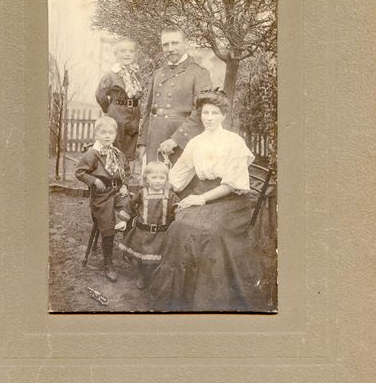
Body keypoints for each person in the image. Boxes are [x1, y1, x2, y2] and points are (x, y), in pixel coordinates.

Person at [148, 89, 264, 311]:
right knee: (179, 226)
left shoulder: (234, 142)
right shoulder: (196, 142)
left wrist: (199, 199)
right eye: (205, 113)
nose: (209, 118)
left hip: (232, 201)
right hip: (203, 195)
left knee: (210, 232)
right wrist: (158, 186)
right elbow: (179, 174)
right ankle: (180, 296)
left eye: (214, 113)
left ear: (223, 115)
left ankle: (209, 300)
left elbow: (231, 185)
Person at [137, 25, 211, 164]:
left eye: (175, 43)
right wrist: (142, 142)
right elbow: (148, 110)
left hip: (183, 140)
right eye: (166, 45)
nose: (170, 48)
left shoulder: (199, 72)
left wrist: (176, 139)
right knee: (154, 177)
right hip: (155, 138)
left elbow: (200, 111)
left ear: (185, 44)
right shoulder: (158, 73)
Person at [75, 116, 131, 282]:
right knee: (108, 223)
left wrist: (124, 184)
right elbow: (79, 172)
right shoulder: (92, 154)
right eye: (103, 132)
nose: (107, 136)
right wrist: (94, 181)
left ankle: (129, 249)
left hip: (117, 191)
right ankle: (108, 262)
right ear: (96, 134)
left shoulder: (117, 153)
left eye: (111, 133)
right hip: (101, 195)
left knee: (132, 211)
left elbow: (126, 171)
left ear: (115, 134)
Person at [117, 162, 180, 289]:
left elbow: (176, 207)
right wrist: (123, 220)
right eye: (154, 177)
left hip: (161, 233)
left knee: (158, 255)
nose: (158, 181)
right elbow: (130, 206)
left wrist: (177, 211)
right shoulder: (142, 193)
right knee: (143, 256)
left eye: (162, 178)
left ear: (166, 179)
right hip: (143, 232)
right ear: (146, 179)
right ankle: (143, 276)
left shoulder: (170, 195)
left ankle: (157, 277)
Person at [95, 37, 142, 161]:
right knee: (115, 147)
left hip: (134, 114)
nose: (127, 54)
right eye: (123, 51)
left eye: (131, 51)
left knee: (129, 148)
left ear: (135, 54)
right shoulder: (111, 74)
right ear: (116, 54)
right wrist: (109, 109)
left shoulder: (135, 74)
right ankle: (113, 171)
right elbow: (100, 94)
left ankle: (126, 170)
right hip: (117, 113)